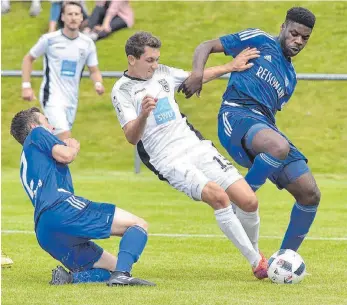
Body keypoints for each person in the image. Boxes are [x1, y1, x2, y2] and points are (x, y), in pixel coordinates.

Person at [111, 31, 268, 279]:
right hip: (167, 158)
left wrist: (230, 66)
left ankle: (257, 254)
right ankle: (256, 263)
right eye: (150, 60)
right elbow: (131, 137)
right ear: (132, 59)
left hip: (194, 145)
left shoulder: (163, 73)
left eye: (157, 59)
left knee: (249, 201)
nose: (155, 64)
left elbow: (194, 77)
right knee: (218, 197)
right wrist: (143, 114)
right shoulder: (122, 90)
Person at [178, 7, 320, 252]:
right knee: (278, 146)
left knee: (310, 194)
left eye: (304, 38)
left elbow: (270, 116)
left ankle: (284, 260)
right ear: (283, 27)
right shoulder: (260, 40)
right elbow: (206, 45)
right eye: (294, 33)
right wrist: (198, 74)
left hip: (264, 127)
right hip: (236, 115)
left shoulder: (290, 78)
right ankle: (239, 201)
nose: (298, 41)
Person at [10, 107, 155, 287]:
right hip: (61, 209)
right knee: (138, 224)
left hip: (44, 230)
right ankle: (123, 276)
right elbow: (66, 155)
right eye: (46, 120)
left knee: (113, 268)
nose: (51, 127)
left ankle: (70, 279)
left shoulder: (27, 158)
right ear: (33, 125)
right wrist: (72, 146)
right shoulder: (37, 133)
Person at [21, 1, 105, 141]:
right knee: (65, 138)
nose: (73, 17)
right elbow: (28, 59)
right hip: (52, 97)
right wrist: (26, 86)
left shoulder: (87, 43)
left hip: (71, 99)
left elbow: (94, 70)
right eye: (69, 14)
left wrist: (98, 83)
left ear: (81, 18)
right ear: (62, 17)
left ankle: (36, 159)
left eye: (76, 14)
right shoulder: (50, 39)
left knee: (56, 141)